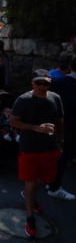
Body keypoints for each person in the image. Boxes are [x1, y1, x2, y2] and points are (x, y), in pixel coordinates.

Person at [9, 69, 64, 238]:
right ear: (32, 83)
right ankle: (30, 217)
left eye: (46, 83)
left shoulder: (55, 98)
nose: (42, 86)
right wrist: (36, 128)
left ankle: (28, 195)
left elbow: (60, 120)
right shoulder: (23, 100)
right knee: (31, 182)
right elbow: (13, 121)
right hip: (30, 148)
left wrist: (60, 142)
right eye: (39, 82)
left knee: (46, 179)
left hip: (50, 148)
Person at [46, 56, 76, 200]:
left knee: (52, 153)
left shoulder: (57, 82)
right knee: (62, 157)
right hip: (70, 127)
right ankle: (54, 186)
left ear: (70, 66)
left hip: (54, 123)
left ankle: (47, 181)